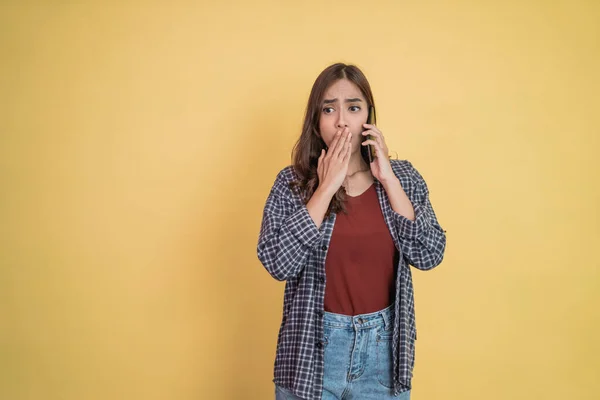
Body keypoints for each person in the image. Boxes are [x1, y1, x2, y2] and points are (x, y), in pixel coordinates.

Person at [257, 63, 446, 400]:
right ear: (317, 121)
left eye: (353, 107)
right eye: (329, 109)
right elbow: (277, 263)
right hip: (311, 354)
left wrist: (388, 178)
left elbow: (430, 254)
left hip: (383, 354)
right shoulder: (292, 184)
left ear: (368, 117)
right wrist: (326, 187)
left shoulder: (403, 178)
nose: (342, 120)